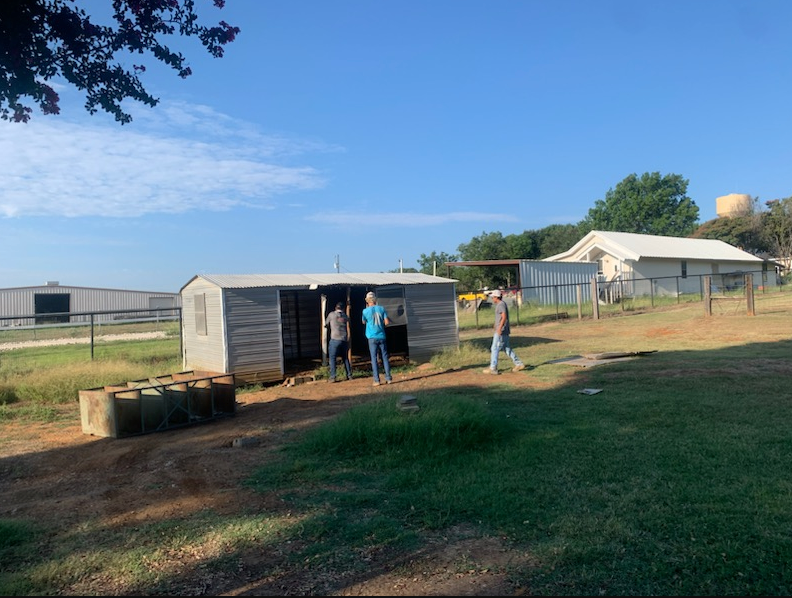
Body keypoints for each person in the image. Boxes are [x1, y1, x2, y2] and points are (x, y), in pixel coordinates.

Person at [483, 289, 526, 375]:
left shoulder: (501, 305)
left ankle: (493, 367)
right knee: (506, 348)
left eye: (493, 297)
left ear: (496, 297)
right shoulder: (501, 304)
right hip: (503, 330)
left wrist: (499, 328)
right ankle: (519, 363)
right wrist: (496, 324)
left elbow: (504, 316)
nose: (492, 299)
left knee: (494, 348)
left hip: (501, 331)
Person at [361, 291, 392, 386]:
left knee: (374, 358)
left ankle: (376, 380)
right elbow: (387, 322)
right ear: (375, 300)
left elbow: (363, 322)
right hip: (382, 336)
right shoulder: (381, 309)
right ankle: (388, 378)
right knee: (385, 357)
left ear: (367, 301)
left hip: (372, 337)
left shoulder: (365, 311)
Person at [325, 301, 353, 382]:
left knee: (332, 358)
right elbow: (349, 322)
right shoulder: (345, 316)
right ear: (343, 309)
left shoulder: (331, 315)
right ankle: (349, 375)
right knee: (345, 358)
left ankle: (333, 376)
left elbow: (326, 324)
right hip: (344, 339)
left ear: (335, 308)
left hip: (335, 339)